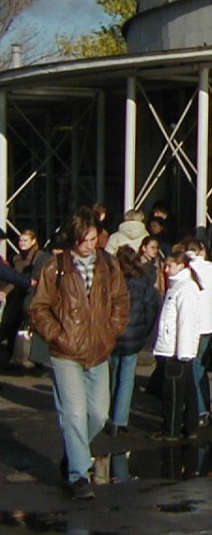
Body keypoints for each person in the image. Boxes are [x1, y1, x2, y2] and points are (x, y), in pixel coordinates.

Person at [28, 207, 129, 499]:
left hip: (100, 348)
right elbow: (39, 307)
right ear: (74, 239)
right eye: (84, 240)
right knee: (73, 413)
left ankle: (75, 453)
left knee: (98, 414)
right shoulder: (55, 266)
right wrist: (59, 335)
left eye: (93, 239)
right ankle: (78, 475)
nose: (89, 246)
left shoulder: (109, 264)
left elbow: (121, 299)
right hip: (66, 352)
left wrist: (112, 330)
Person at [152, 245, 205, 441]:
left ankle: (172, 429)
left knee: (173, 393)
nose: (166, 270)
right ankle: (190, 427)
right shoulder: (179, 287)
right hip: (175, 347)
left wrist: (182, 353)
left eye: (169, 266)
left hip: (175, 350)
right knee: (188, 390)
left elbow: (186, 322)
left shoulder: (185, 288)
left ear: (181, 266)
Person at [108, 246, 161, 435]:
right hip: (135, 334)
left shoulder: (113, 281)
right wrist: (144, 333)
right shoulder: (144, 282)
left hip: (114, 333)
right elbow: (151, 309)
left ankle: (110, 414)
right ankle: (120, 419)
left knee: (114, 374)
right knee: (127, 377)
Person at [182, 239, 212, 426]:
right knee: (200, 366)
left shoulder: (183, 268)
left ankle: (197, 408)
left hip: (190, 323)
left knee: (191, 366)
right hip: (209, 322)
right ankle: (203, 407)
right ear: (203, 251)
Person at [1, 229, 48, 365]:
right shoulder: (16, 258)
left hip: (32, 295)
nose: (21, 243)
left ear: (33, 242)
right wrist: (5, 291)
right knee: (10, 325)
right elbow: (12, 277)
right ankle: (11, 357)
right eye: (20, 240)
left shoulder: (40, 257)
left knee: (34, 326)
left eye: (25, 240)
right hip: (17, 294)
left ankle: (36, 359)